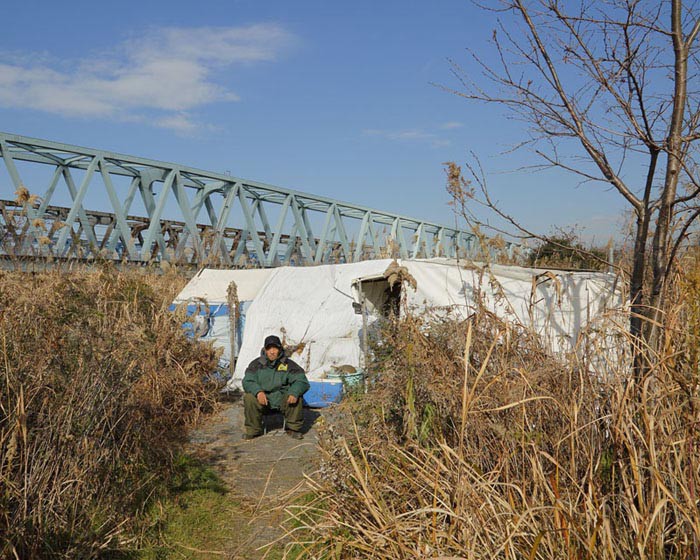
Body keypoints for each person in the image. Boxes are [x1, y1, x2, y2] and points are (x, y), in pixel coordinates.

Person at [242, 335, 309, 440]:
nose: (272, 352)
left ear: (280, 349)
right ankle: (254, 430)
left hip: (282, 400)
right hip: (264, 400)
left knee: (297, 396)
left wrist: (294, 392)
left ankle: (293, 429)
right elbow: (247, 381)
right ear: (265, 350)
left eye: (275, 348)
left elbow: (302, 381)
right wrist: (258, 392)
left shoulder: (289, 365)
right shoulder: (256, 364)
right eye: (269, 348)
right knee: (249, 398)